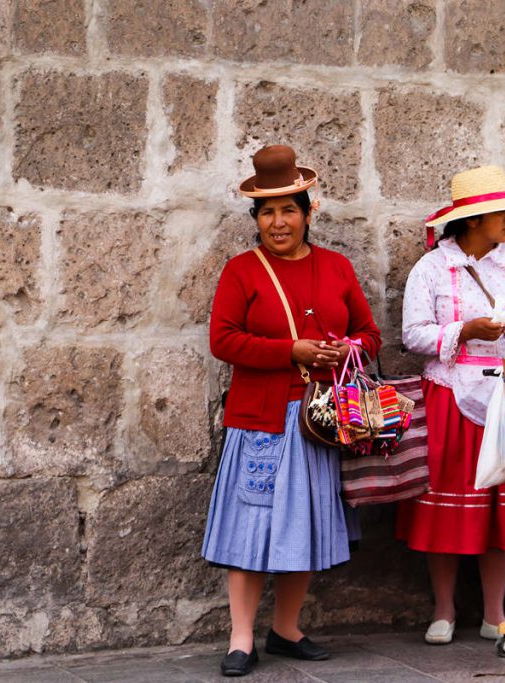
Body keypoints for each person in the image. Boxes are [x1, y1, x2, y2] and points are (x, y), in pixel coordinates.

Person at [202, 145, 381, 676]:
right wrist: (291, 351)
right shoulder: (242, 271)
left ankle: (284, 629)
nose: (278, 222)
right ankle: (240, 638)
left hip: (320, 421)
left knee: (303, 526)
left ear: (309, 211)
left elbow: (370, 334)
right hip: (261, 420)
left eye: (288, 210)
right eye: (267, 212)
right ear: (256, 219)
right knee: (250, 529)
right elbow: (223, 340)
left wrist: (343, 349)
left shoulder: (337, 268)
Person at [396, 165, 505, 645]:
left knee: (499, 504)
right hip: (449, 393)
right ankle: (443, 610)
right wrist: (465, 330)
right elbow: (412, 334)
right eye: (500, 212)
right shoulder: (431, 268)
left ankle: (494, 610)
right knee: (446, 505)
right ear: (471, 220)